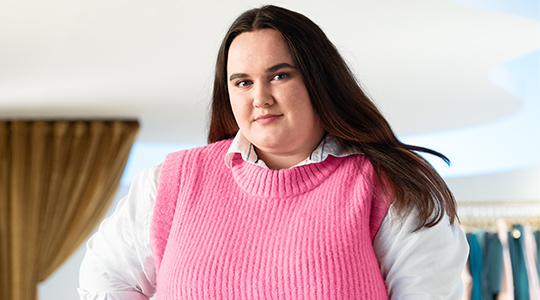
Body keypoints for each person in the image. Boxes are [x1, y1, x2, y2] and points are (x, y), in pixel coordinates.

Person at [79, 5, 468, 300]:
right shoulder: (173, 182)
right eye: (243, 82)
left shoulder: (390, 186)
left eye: (279, 75)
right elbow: (104, 275)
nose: (260, 98)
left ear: (319, 80)